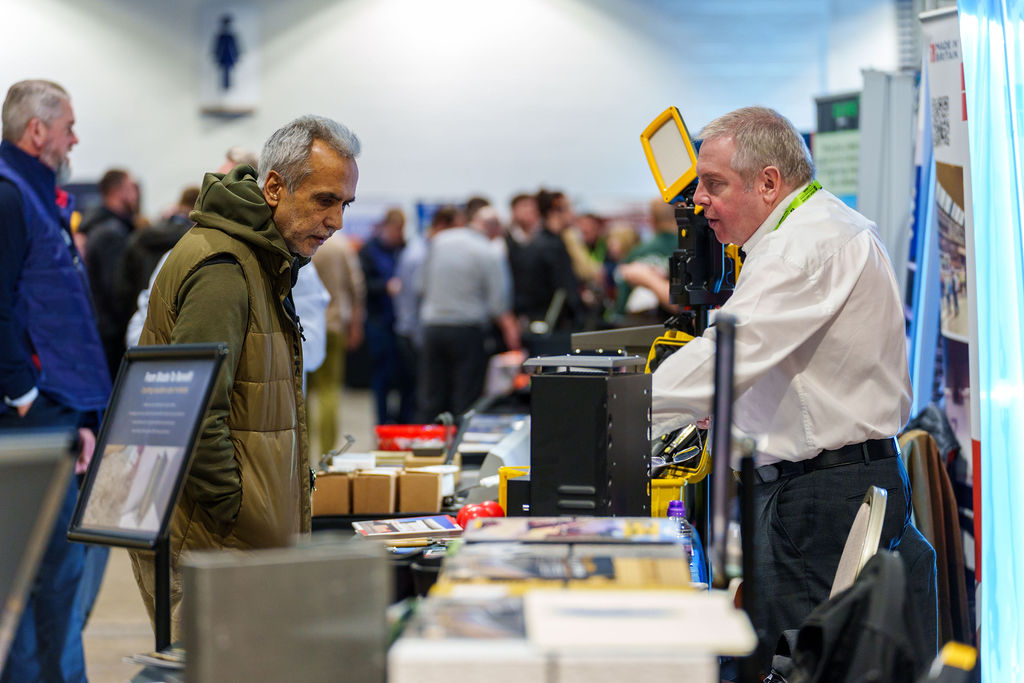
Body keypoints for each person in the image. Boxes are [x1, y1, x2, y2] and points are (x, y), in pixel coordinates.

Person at [649, 106, 926, 669]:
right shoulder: (812, 229)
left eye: (714, 184)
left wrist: (619, 410)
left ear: (769, 183)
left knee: (798, 666)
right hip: (821, 487)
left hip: (820, 498)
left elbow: (728, 354)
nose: (699, 200)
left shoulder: (804, 245)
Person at [128, 115, 360, 639]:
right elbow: (190, 411)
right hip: (213, 544)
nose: (336, 221)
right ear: (274, 187)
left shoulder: (263, 261)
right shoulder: (224, 268)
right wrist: (238, 508)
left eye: (345, 204)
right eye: (324, 200)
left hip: (237, 540)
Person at [0, 78, 111, 683]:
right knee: (43, 575)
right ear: (37, 130)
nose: (75, 139)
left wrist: (82, 417)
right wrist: (24, 396)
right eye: (68, 127)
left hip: (58, 411)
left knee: (57, 575)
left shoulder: (39, 196)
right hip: (33, 415)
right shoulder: (9, 196)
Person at [415, 201, 519, 422]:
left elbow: (419, 285)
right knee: (465, 399)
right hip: (467, 332)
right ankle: (460, 442)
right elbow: (498, 304)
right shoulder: (488, 251)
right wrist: (513, 336)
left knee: (431, 396)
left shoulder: (439, 241)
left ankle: (430, 440)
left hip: (433, 328)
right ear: (493, 228)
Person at [307, 231, 365, 454]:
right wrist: (356, 325)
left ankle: (303, 454)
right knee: (329, 390)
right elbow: (356, 287)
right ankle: (327, 454)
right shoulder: (341, 246)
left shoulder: (300, 241)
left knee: (302, 392)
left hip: (304, 326)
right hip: (333, 324)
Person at [80, 168, 141, 378]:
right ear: (118, 191)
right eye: (131, 188)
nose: (136, 194)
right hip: (112, 338)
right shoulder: (110, 234)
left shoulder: (101, 227)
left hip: (104, 333)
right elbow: (116, 290)